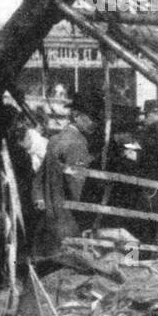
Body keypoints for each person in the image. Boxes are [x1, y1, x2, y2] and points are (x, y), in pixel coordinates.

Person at [32, 89, 100, 256]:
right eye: (91, 117)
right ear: (76, 115)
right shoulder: (77, 143)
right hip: (68, 222)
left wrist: (39, 199)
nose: (95, 123)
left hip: (49, 217)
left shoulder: (56, 139)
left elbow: (39, 178)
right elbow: (78, 187)